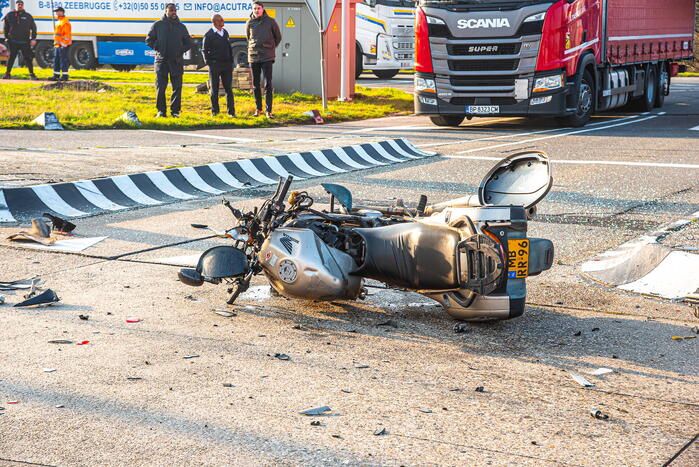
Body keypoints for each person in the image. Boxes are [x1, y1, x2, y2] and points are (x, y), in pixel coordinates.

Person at [146, 3, 193, 118]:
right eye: (171, 10)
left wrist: (179, 50)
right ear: (166, 11)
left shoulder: (181, 27)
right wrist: (159, 48)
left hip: (176, 61)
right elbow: (149, 40)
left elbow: (189, 43)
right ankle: (161, 111)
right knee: (161, 87)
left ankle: (175, 112)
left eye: (175, 10)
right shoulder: (158, 25)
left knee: (177, 88)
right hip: (161, 61)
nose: (174, 12)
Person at [246, 1, 281, 118]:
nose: (256, 10)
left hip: (267, 57)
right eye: (255, 8)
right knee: (255, 84)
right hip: (253, 57)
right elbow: (248, 38)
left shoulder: (271, 22)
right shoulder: (249, 22)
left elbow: (278, 37)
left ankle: (268, 110)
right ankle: (258, 109)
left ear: (263, 9)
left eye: (258, 8)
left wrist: (270, 48)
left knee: (268, 84)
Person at [202, 14, 235, 117]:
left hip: (226, 65)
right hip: (215, 65)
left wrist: (231, 62)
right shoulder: (209, 35)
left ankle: (231, 112)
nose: (223, 21)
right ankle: (215, 112)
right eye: (221, 20)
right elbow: (204, 50)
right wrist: (209, 63)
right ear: (215, 22)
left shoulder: (225, 32)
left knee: (228, 89)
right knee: (214, 89)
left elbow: (229, 48)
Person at [2, 0, 37, 80]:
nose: (20, 6)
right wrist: (6, 37)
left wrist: (33, 38)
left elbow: (34, 28)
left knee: (28, 58)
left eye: (21, 4)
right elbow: (5, 27)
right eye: (18, 4)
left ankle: (32, 74)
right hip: (13, 41)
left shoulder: (28, 16)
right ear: (16, 5)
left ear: (23, 6)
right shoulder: (10, 15)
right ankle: (7, 74)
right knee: (11, 58)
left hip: (25, 41)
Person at [50, 7, 71, 81]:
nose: (56, 13)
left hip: (62, 45)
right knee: (57, 60)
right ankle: (56, 75)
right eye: (56, 12)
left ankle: (65, 76)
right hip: (58, 45)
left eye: (58, 12)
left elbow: (67, 35)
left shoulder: (65, 22)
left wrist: (64, 45)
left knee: (63, 60)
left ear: (62, 12)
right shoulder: (59, 21)